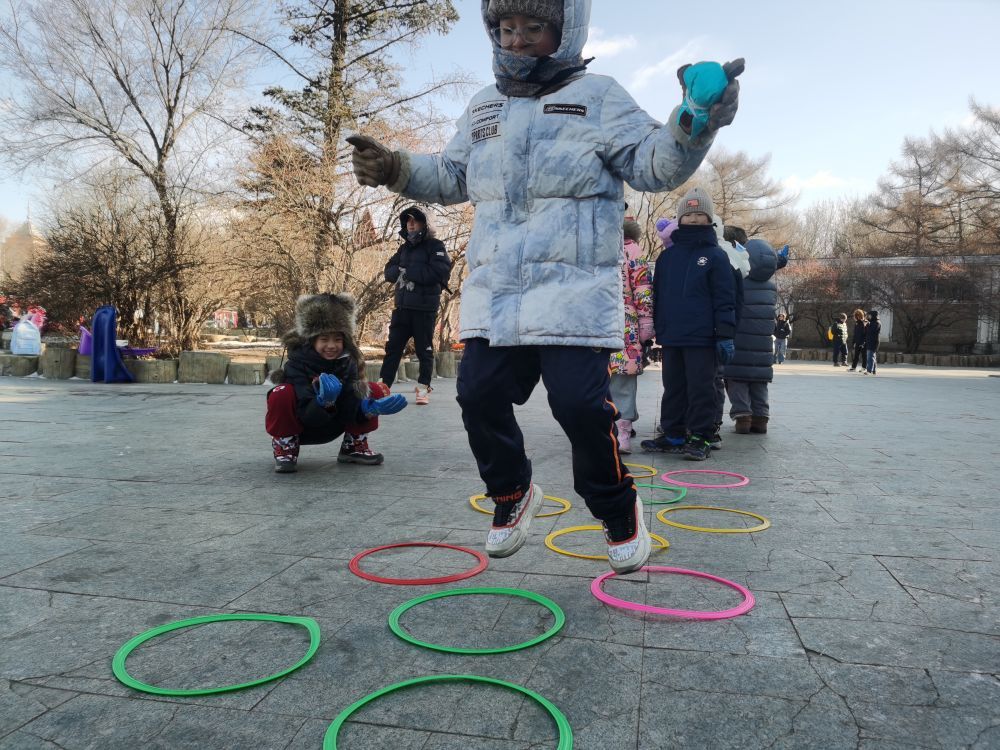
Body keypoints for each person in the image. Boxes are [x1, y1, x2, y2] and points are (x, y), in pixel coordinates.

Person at [346, 0, 743, 573]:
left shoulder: (599, 96)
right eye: (506, 28)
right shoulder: (484, 106)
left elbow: (653, 163)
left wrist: (694, 120)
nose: (518, 39)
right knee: (476, 395)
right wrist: (394, 167)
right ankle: (511, 492)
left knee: (580, 407)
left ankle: (618, 509)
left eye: (533, 27)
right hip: (498, 293)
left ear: (565, 30)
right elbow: (453, 175)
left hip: (573, 295)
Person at [642, 187, 737, 460]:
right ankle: (673, 434)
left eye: (700, 214)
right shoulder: (667, 257)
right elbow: (657, 295)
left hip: (702, 337)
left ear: (709, 219)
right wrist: (655, 328)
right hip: (672, 335)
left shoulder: (716, 256)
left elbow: (725, 298)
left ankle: (701, 436)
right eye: (688, 214)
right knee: (673, 387)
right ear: (679, 218)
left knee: (701, 388)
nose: (694, 219)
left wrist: (725, 334)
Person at [265, 293, 408, 473]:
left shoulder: (347, 363)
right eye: (324, 339)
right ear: (312, 340)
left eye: (337, 339)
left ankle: (353, 445)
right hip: (302, 426)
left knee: (371, 390)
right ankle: (285, 446)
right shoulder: (296, 365)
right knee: (281, 392)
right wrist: (323, 402)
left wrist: (368, 409)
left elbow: (349, 404)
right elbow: (306, 414)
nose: (331, 345)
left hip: (335, 423)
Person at [379, 206, 453, 405]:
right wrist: (399, 271)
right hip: (402, 307)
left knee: (424, 350)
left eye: (415, 220)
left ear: (425, 223)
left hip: (424, 309)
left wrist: (408, 271)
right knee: (393, 349)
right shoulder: (404, 248)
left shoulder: (435, 246)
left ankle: (423, 387)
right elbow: (388, 271)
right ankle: (383, 386)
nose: (410, 224)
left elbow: (439, 272)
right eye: (408, 220)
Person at [724, 239, 786, 434]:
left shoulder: (738, 281)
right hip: (764, 345)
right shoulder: (771, 287)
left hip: (740, 341)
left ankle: (743, 417)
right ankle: (761, 419)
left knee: (737, 379)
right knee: (759, 382)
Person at [609, 216, 654, 453]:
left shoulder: (632, 251)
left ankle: (622, 431)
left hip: (622, 323)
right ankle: (613, 429)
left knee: (620, 379)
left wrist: (645, 322)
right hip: (609, 324)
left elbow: (642, 288)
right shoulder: (630, 250)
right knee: (613, 381)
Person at [864, 309, 881, 375]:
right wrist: (867, 324)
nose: (869, 317)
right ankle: (873, 370)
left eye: (870, 315)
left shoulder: (877, 323)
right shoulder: (872, 322)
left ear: (873, 316)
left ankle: (869, 370)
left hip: (873, 341)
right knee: (872, 356)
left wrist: (867, 325)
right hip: (870, 341)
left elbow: (872, 331)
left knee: (870, 356)